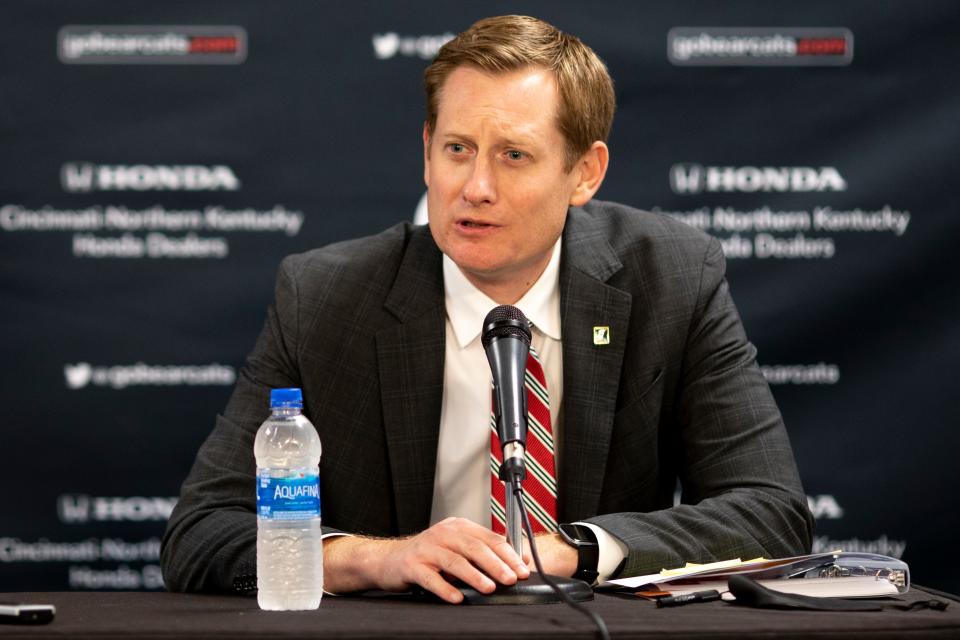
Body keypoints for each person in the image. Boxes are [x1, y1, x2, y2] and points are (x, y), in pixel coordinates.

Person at [161, 15, 813, 604]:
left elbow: (770, 513)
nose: (475, 188)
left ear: (585, 173)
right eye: (457, 149)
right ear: (426, 152)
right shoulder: (328, 295)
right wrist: (378, 559)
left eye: (515, 156)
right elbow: (200, 533)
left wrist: (574, 550)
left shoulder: (670, 277)